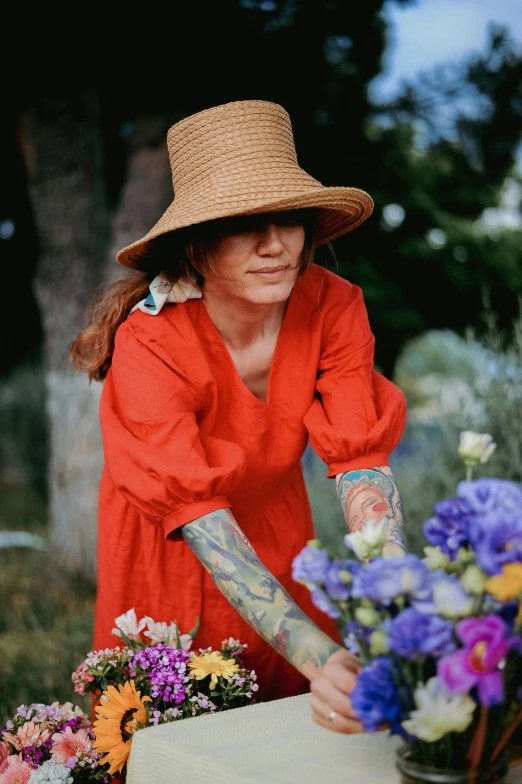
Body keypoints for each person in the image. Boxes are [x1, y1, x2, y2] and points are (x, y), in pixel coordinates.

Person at [70, 99, 407, 735]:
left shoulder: (333, 305)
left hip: (276, 522)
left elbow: (361, 459)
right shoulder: (151, 344)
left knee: (302, 726)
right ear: (194, 244)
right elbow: (196, 514)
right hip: (172, 540)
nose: (274, 244)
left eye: (288, 218)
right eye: (243, 224)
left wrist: (402, 612)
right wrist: (321, 654)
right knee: (184, 730)